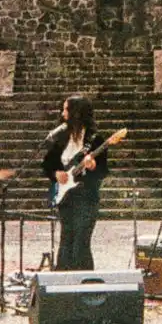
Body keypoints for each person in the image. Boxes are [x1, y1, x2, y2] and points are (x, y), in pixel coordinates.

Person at [42, 95, 109, 270]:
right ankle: (63, 285)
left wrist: (93, 166)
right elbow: (47, 163)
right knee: (66, 242)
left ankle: (85, 286)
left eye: (66, 109)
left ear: (76, 113)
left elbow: (104, 171)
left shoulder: (95, 140)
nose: (63, 113)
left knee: (81, 243)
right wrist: (56, 173)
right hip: (65, 198)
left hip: (86, 198)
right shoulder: (62, 136)